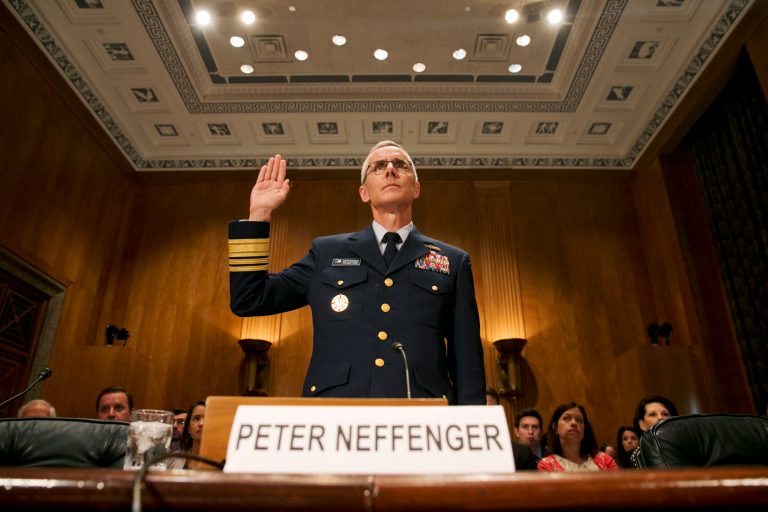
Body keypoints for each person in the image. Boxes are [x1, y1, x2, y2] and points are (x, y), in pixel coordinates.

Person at [228, 141, 486, 404]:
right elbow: (250, 299)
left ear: (416, 188)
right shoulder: (326, 252)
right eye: (377, 167)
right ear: (364, 192)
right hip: (337, 413)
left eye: (400, 165)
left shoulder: (452, 261)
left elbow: (467, 360)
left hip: (422, 415)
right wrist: (259, 214)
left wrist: (473, 427)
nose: (389, 170)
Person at [537, 402, 618, 472]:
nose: (574, 423)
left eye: (579, 420)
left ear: (584, 429)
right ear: (555, 428)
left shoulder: (605, 460)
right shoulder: (546, 466)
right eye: (567, 418)